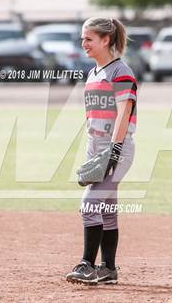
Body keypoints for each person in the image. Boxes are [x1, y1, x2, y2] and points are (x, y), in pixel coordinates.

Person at [65, 17, 137, 285]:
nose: (84, 43)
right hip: (97, 148)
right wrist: (92, 153)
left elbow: (123, 114)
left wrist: (114, 152)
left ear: (106, 40)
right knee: (105, 209)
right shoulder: (94, 73)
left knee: (89, 205)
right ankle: (108, 269)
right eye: (83, 38)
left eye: (89, 39)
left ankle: (87, 264)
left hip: (115, 149)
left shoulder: (120, 71)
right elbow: (93, 119)